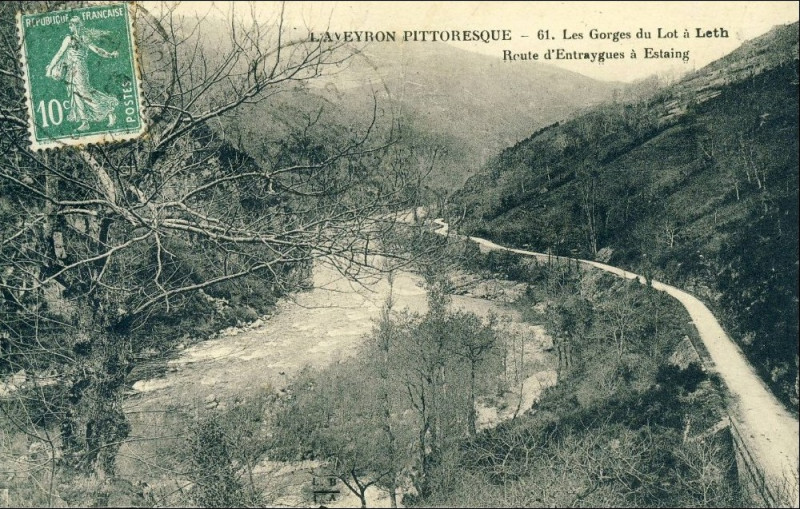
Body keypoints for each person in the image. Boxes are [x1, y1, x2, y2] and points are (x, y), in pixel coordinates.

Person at [45, 17, 119, 131]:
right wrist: (110, 55)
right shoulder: (81, 38)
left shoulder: (74, 39)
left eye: (71, 25)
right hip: (72, 69)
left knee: (85, 93)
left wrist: (50, 68)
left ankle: (108, 111)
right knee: (76, 94)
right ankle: (85, 122)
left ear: (76, 26)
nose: (70, 27)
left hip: (79, 69)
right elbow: (98, 50)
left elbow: (59, 54)